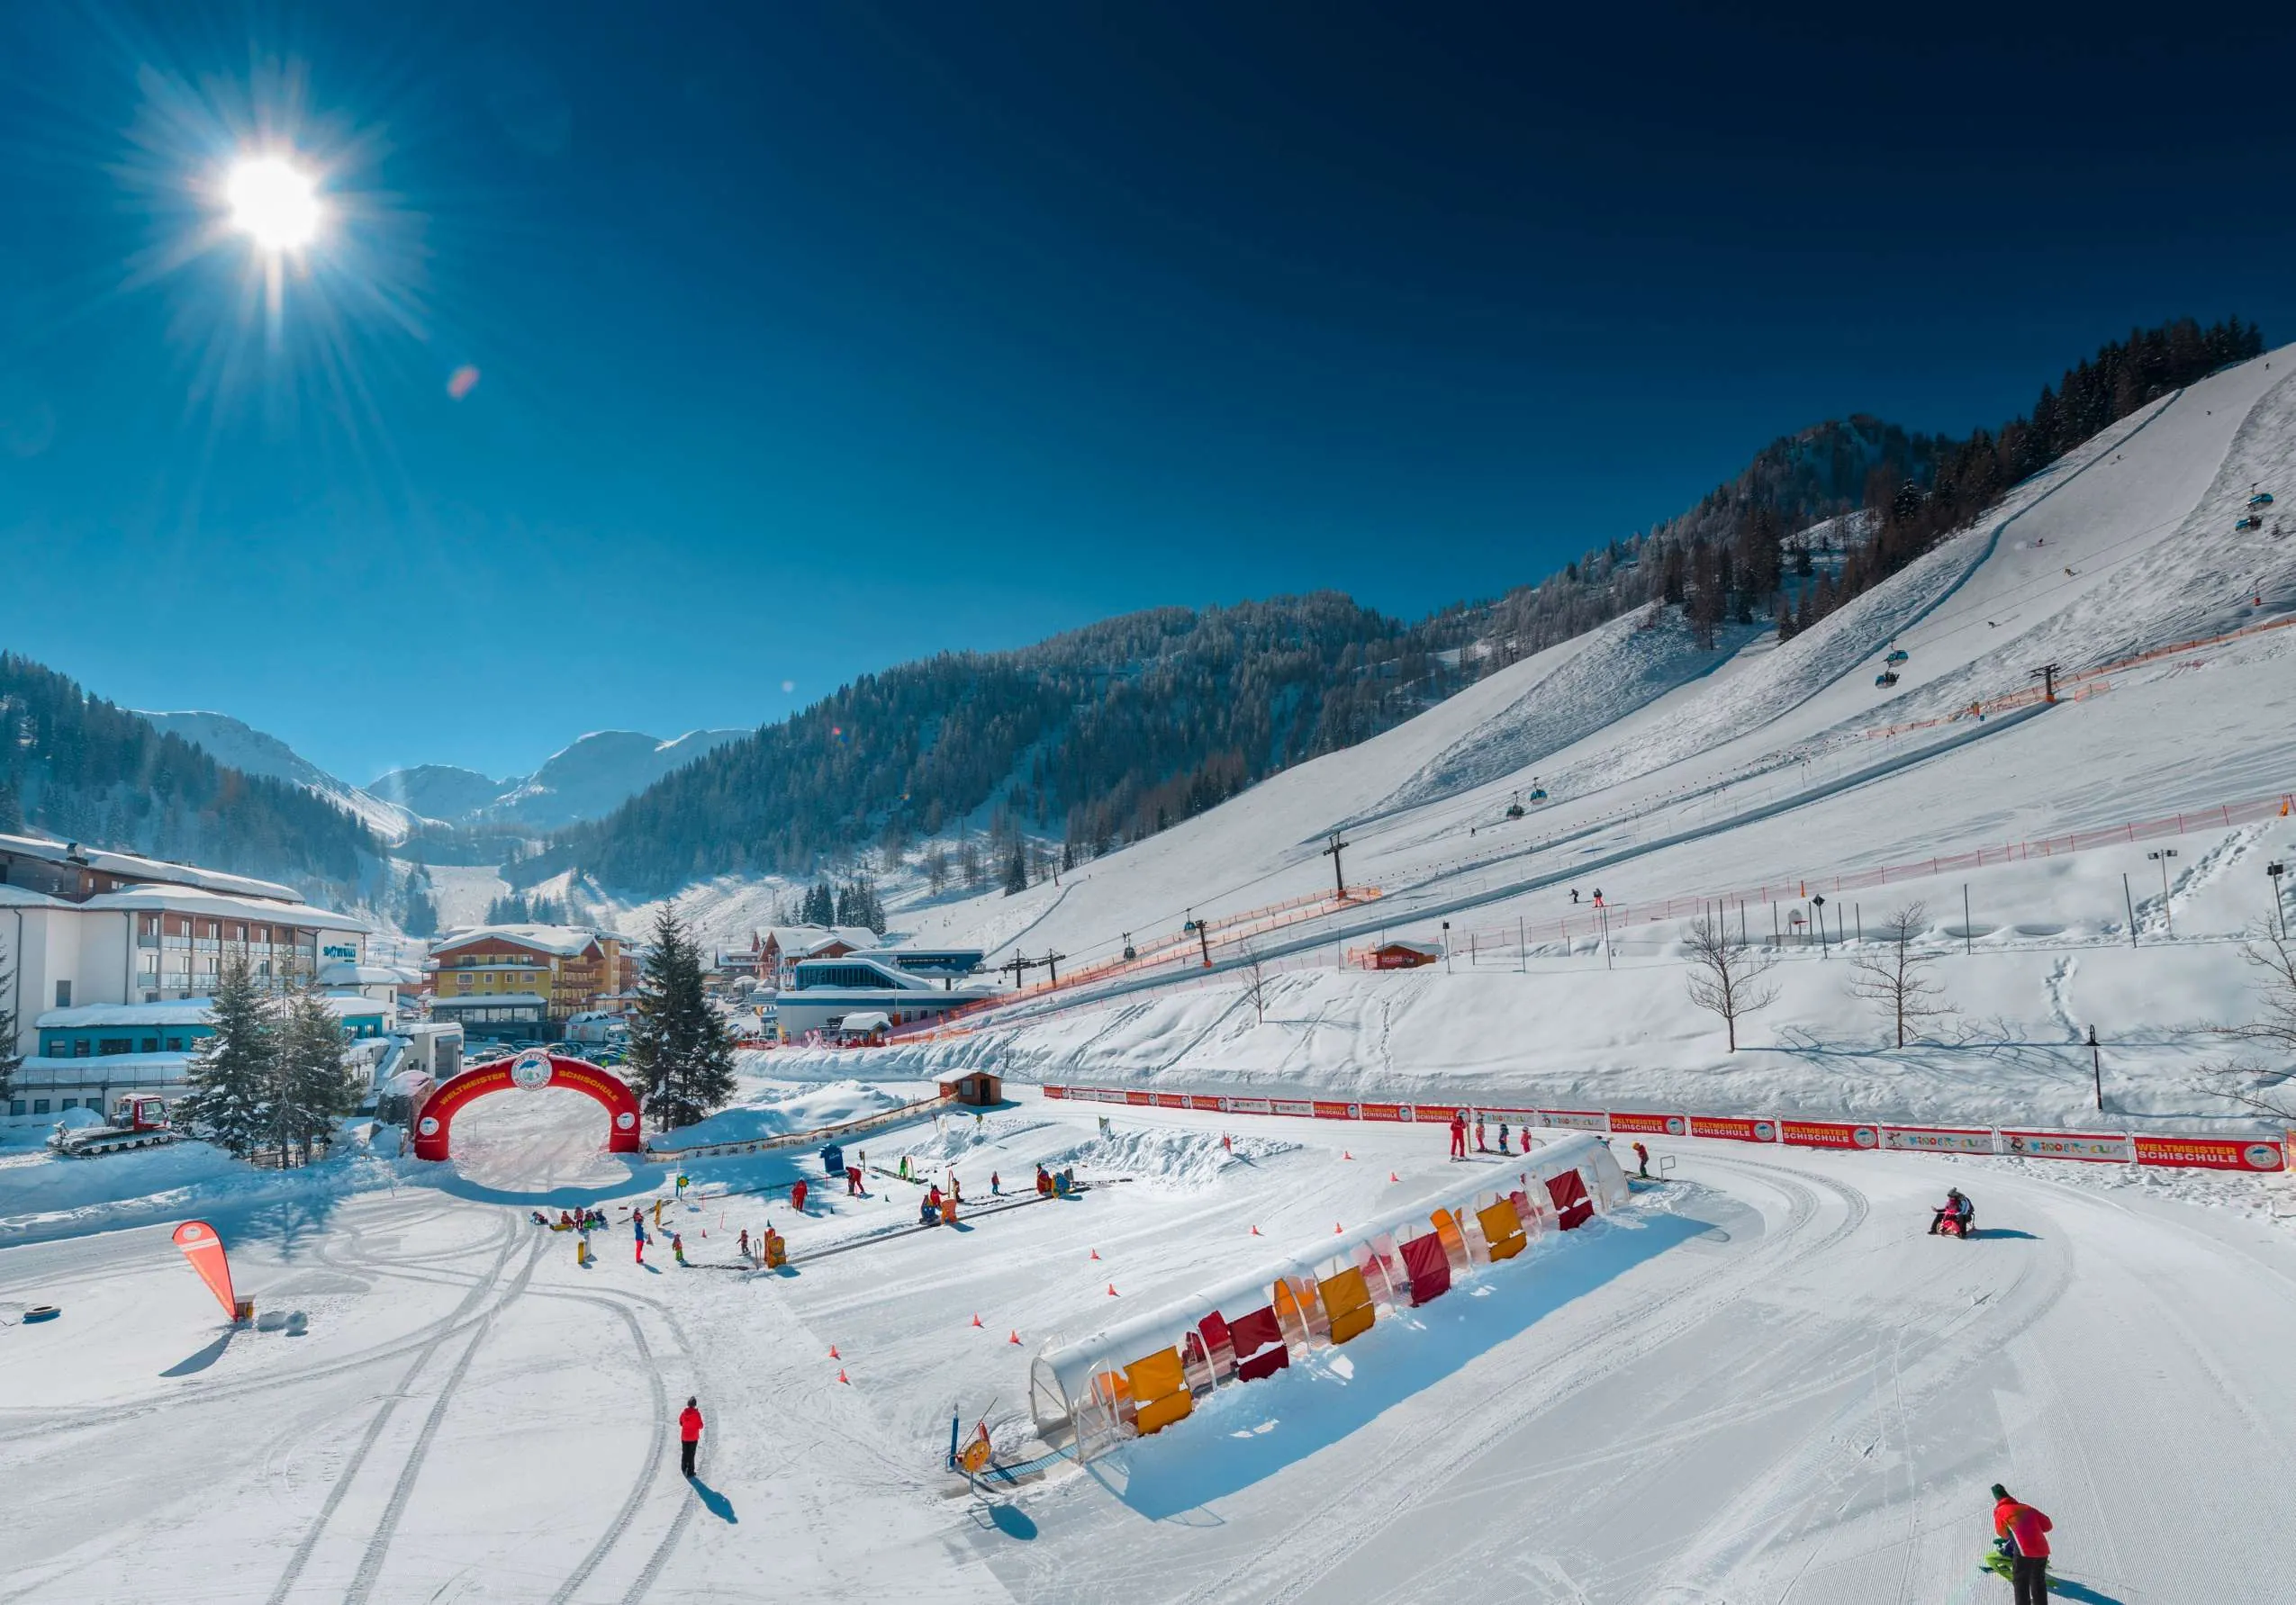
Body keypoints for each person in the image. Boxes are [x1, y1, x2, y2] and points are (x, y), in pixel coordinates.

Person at [1991, 1485, 2052, 1604]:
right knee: (2038, 1581)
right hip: (2042, 1551)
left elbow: (2002, 1533)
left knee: (2020, 1582)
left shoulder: (2001, 1510)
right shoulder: (2026, 1507)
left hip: (2024, 1551)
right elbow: (2048, 1526)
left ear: (1997, 1499)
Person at [678, 1396, 703, 1477]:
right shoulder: (697, 1414)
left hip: (684, 1437)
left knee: (685, 1453)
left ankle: (683, 1468)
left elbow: (681, 1422)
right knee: (691, 1455)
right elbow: (701, 1426)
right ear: (695, 1404)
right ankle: (690, 1472)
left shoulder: (684, 1413)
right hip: (693, 1438)